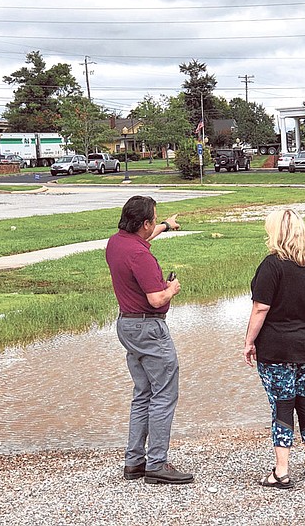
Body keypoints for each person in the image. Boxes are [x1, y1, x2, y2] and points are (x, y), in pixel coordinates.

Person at [243, 208, 305, 489]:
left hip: (278, 348)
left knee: (282, 403)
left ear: (275, 233)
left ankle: (281, 470)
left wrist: (249, 342)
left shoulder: (272, 265)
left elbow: (261, 308)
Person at [105, 195, 193, 485]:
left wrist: (167, 225)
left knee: (143, 393)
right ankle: (157, 464)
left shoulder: (117, 243)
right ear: (143, 223)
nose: (155, 223)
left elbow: (143, 238)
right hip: (149, 329)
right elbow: (156, 299)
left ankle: (134, 463)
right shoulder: (140, 256)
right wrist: (172, 289)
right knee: (164, 394)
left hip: (127, 327)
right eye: (154, 219)